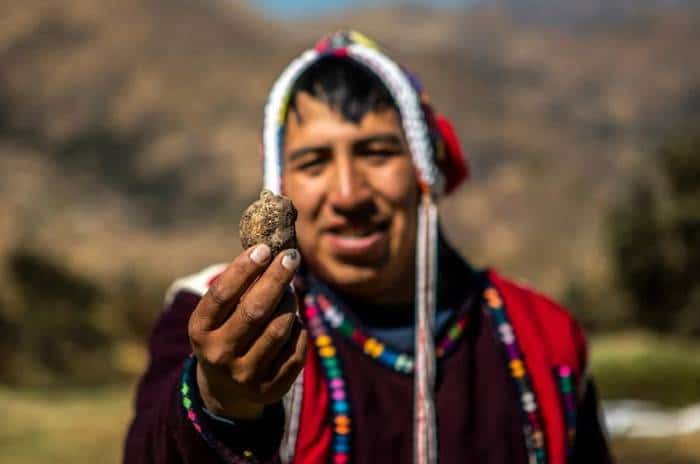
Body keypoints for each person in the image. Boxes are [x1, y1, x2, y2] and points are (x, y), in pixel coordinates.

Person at [124, 30, 612, 464]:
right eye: (314, 162)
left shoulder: (542, 336)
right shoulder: (214, 318)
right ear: (280, 184)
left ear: (426, 173)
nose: (348, 195)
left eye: (377, 153)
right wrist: (221, 402)